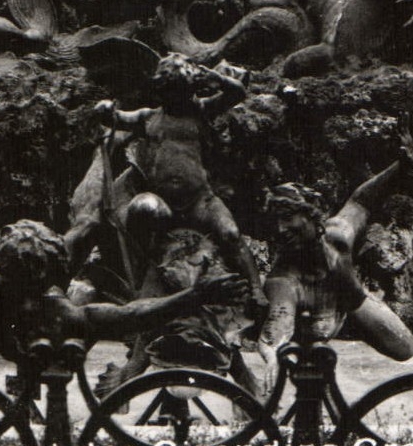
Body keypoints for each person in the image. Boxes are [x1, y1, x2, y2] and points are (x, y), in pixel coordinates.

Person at [0, 219, 246, 365]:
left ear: (0, 262)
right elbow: (135, 314)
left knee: (87, 230)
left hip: (26, 337)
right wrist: (193, 296)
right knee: (86, 272)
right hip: (51, 338)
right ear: (55, 272)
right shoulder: (63, 310)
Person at [65, 54, 265, 310]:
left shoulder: (201, 110)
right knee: (145, 210)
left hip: (200, 200)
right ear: (161, 90)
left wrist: (218, 78)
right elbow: (116, 119)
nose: (175, 99)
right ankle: (142, 280)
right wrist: (105, 109)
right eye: (169, 92)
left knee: (231, 233)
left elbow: (237, 94)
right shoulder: (148, 117)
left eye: (181, 92)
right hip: (163, 200)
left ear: (190, 90)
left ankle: (256, 290)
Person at [256, 166, 413, 392]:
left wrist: (399, 166)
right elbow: (274, 332)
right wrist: (273, 357)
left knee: (405, 348)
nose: (280, 229)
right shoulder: (283, 279)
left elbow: (361, 201)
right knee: (313, 375)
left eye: (287, 218)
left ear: (311, 216)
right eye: (275, 222)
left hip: (350, 302)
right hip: (312, 327)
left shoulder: (338, 236)